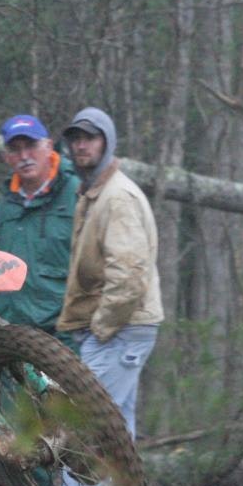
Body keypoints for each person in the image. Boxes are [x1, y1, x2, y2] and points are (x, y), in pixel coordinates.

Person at [55, 107, 163, 439]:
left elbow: (129, 275)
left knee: (86, 427)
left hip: (121, 328)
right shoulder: (93, 193)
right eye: (75, 139)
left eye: (90, 138)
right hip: (119, 327)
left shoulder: (118, 198)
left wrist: (102, 327)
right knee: (116, 430)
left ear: (107, 143)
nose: (81, 146)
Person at [0, 114, 81, 344]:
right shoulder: (3, 206)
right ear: (6, 157)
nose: (24, 156)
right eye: (15, 149)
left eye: (31, 146)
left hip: (65, 336)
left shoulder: (79, 194)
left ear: (48, 146)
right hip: (12, 334)